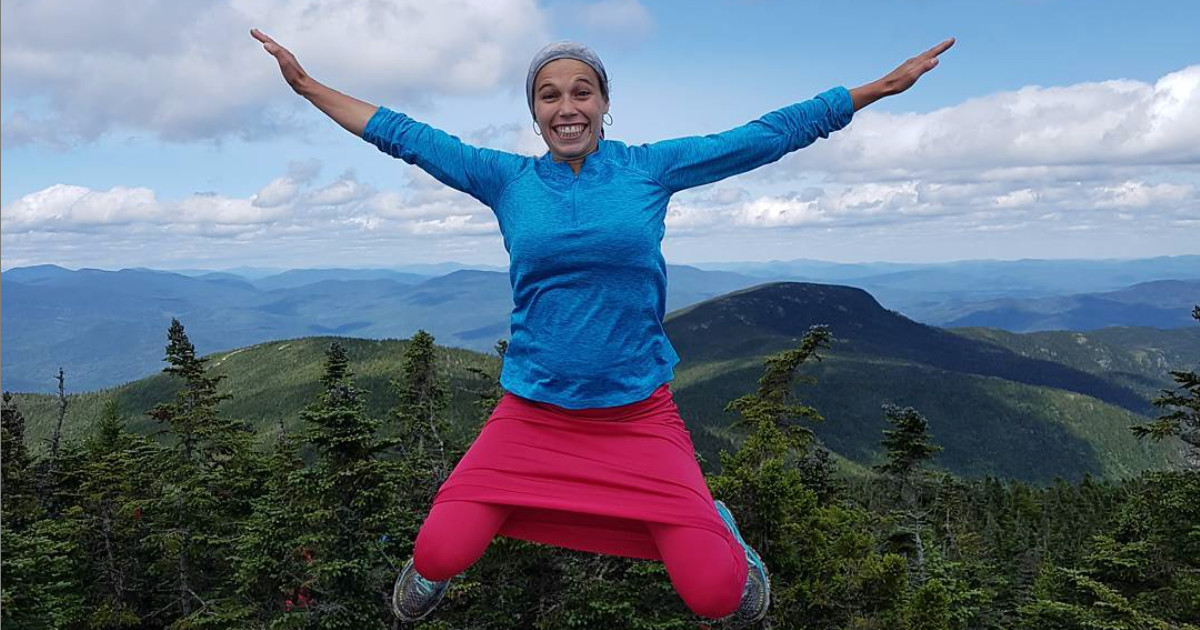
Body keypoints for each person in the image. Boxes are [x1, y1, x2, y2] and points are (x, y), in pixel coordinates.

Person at [253, 29, 953, 627]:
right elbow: (404, 135)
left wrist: (876, 89)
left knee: (719, 598)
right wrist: (307, 87)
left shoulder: (649, 170)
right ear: (534, 113)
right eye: (549, 95)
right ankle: (460, 550)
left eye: (581, 92)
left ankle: (720, 527)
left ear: (605, 103)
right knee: (438, 553)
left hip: (637, 415)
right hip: (531, 414)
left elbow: (766, 136)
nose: (567, 107)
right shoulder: (505, 179)